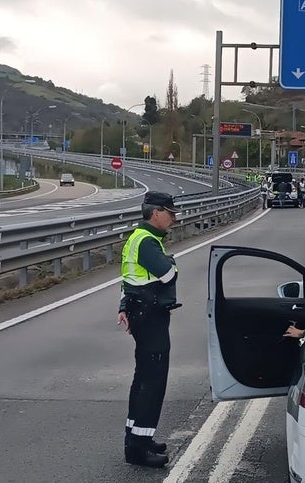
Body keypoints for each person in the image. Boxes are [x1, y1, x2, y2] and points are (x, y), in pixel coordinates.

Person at [117, 191, 181, 468]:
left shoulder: (140, 238)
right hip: (149, 315)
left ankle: (137, 438)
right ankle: (139, 450)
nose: (173, 217)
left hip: (140, 310)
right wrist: (173, 263)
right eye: (170, 212)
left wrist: (123, 307)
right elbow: (169, 274)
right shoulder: (147, 243)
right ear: (156, 213)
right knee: (152, 381)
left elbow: (127, 279)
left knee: (143, 378)